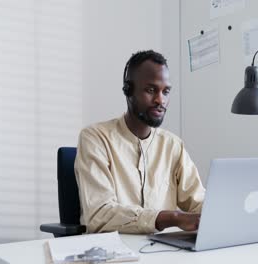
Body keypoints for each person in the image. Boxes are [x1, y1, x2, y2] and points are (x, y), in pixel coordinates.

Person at [74, 50, 205, 234]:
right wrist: (171, 218)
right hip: (114, 253)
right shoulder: (95, 138)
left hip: (163, 252)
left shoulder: (173, 145)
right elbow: (99, 214)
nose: (161, 100)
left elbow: (198, 200)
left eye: (165, 91)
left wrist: (220, 212)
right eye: (151, 90)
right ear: (128, 91)